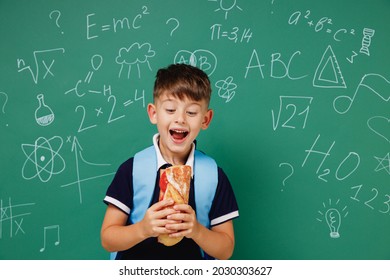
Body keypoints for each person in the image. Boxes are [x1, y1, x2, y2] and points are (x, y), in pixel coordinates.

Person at [101, 63, 239, 260]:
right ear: (153, 113)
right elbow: (108, 239)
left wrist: (196, 231)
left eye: (191, 112)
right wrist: (143, 229)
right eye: (170, 109)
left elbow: (225, 250)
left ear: (205, 119)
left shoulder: (214, 176)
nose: (180, 119)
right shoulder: (132, 170)